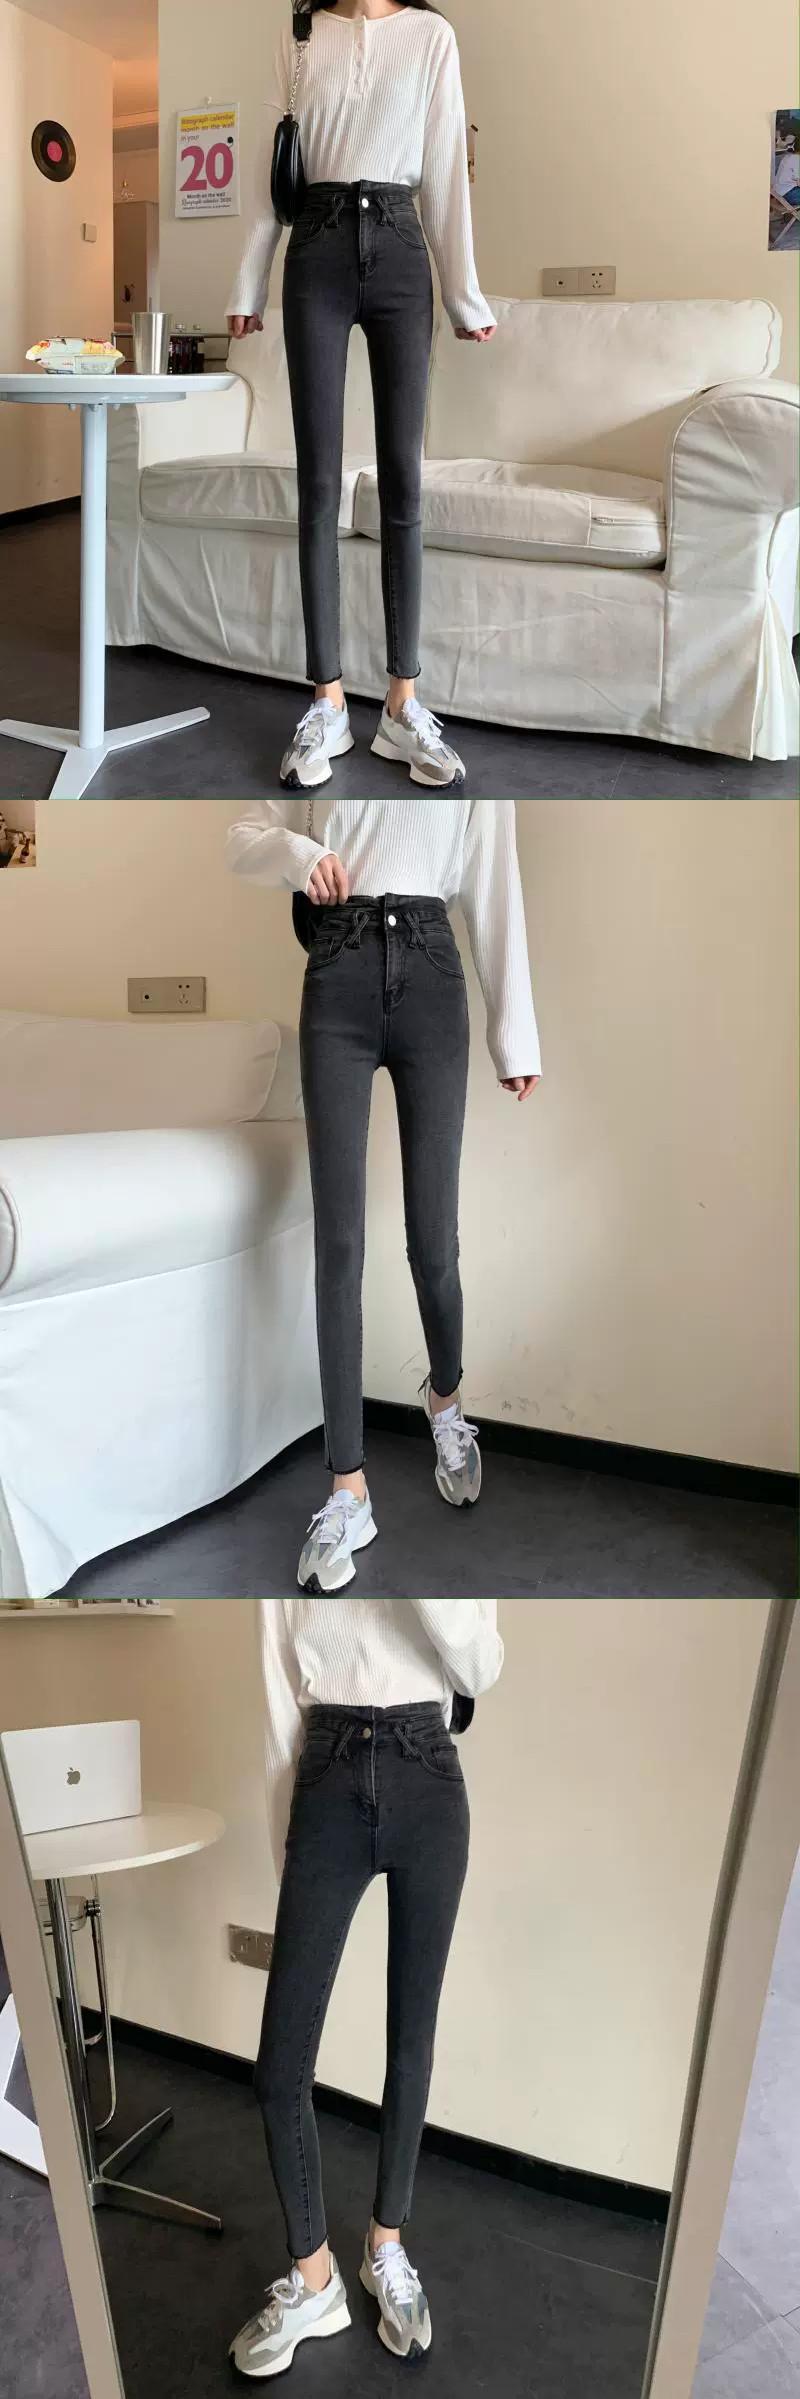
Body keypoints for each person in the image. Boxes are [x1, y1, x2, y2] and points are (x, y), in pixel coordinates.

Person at [226, 797, 541, 1594]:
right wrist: (303, 858)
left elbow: (493, 877)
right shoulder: (332, 752)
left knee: (434, 1241)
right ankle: (348, 1489)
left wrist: (516, 1033)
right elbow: (242, 837)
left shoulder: (464, 766)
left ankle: (445, 1401)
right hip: (337, 966)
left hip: (432, 969)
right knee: (339, 1245)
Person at [226, 0, 496, 793]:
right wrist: (247, 282)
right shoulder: (300, 32)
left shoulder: (431, 36)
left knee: (403, 481)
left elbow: (444, 163)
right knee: (317, 483)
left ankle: (402, 705)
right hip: (314, 248)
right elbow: (272, 164)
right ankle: (328, 703)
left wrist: (464, 294)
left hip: (403, 249)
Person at [230, 1596, 503, 2377]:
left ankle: (386, 2245)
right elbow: (278, 1696)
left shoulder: (446, 1539)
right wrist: (290, 1848)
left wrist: (423, 1576)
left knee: (411, 2043)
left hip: (429, 1769)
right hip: (325, 1769)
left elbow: (481, 1666)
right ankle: (314, 2280)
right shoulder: (289, 1546)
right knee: (280, 2066)